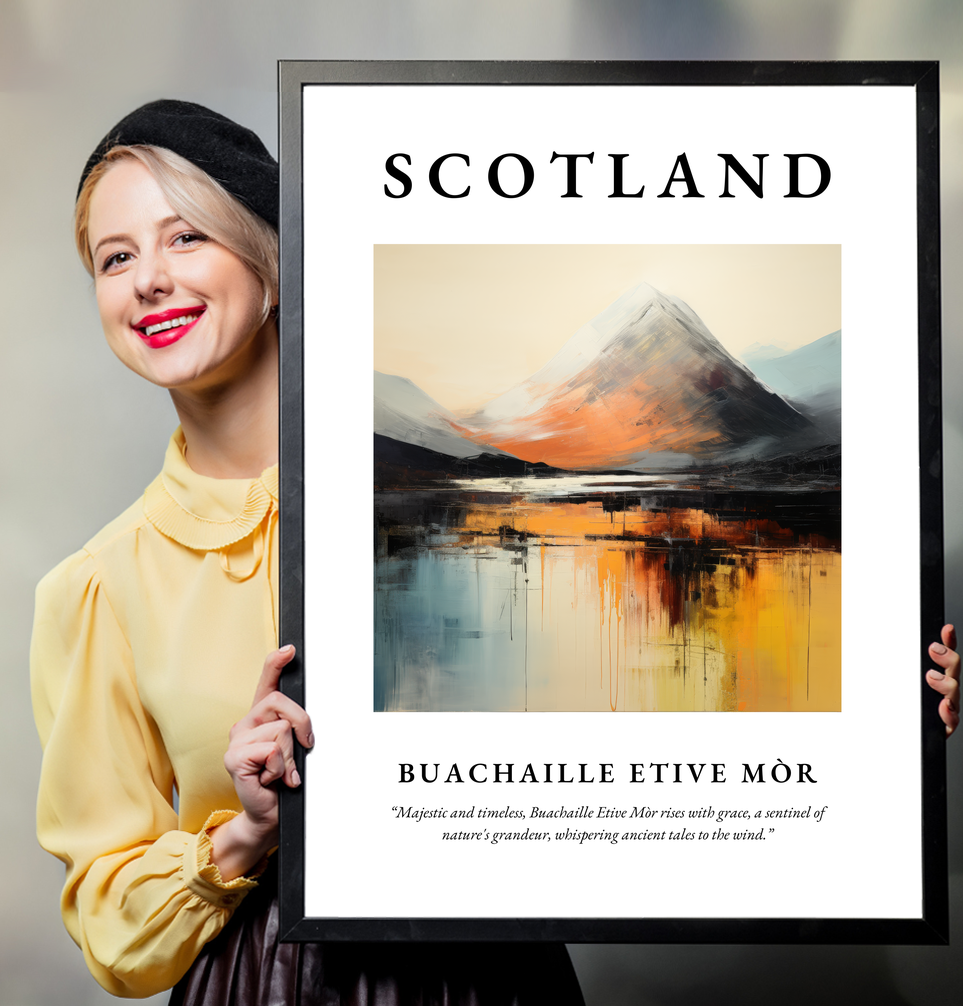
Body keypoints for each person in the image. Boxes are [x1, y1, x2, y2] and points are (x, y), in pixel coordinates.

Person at [30, 100, 585, 1004]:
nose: (148, 281)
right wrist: (245, 832)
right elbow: (110, 923)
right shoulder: (98, 587)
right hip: (262, 982)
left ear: (274, 264)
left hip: (492, 974)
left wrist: (890, 711)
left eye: (186, 239)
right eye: (116, 257)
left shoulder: (455, 507)